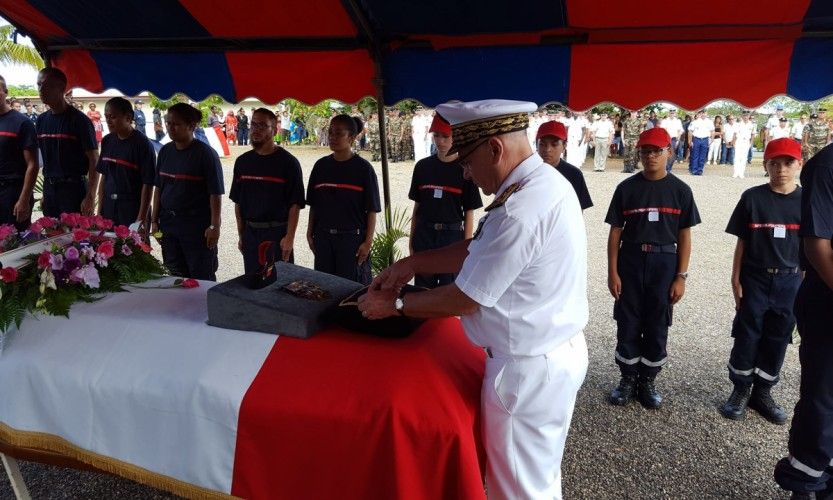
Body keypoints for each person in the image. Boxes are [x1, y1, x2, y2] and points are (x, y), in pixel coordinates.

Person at [357, 99, 588, 500]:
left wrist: (393, 306)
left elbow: (466, 299)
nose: (465, 172)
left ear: (495, 149)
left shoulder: (520, 207)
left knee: (517, 489)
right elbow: (482, 246)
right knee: (536, 478)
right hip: (551, 351)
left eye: (466, 161)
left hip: (526, 368)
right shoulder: (540, 183)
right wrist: (414, 263)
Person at [606, 127, 701, 409]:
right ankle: (627, 378)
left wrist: (681, 276)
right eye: (645, 151)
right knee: (628, 320)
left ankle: (647, 380)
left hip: (664, 263)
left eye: (657, 151)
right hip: (631, 261)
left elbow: (685, 236)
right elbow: (615, 234)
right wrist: (612, 272)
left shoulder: (681, 191)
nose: (651, 157)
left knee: (658, 323)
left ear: (669, 152)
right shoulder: (627, 188)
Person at [719, 138, 803, 426]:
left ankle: (763, 392)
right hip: (755, 278)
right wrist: (735, 278)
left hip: (790, 281)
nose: (781, 169)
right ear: (765, 165)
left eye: (788, 162)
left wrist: (804, 285)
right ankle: (740, 389)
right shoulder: (752, 198)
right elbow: (743, 241)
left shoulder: (807, 201)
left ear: (799, 164)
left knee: (778, 336)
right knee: (747, 333)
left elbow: (811, 247)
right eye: (774, 163)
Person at [773, 140, 833, 500]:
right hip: (828, 300)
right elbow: (818, 246)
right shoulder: (826, 166)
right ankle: (807, 483)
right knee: (823, 396)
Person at [408, 114, 483, 288]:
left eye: (445, 136)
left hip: (452, 237)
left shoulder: (465, 170)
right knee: (422, 289)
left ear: (455, 137)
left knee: (449, 288)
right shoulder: (422, 167)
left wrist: (466, 248)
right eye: (436, 136)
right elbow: (416, 207)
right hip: (425, 235)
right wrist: (412, 242)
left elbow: (469, 212)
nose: (440, 141)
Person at [150, 103, 224, 280]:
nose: (170, 128)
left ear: (191, 126)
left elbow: (215, 194)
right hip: (169, 224)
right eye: (168, 123)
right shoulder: (165, 151)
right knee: (174, 275)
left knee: (201, 276)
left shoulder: (206, 154)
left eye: (176, 124)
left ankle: (203, 309)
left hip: (196, 227)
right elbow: (158, 188)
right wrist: (154, 221)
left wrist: (214, 226)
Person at [230, 108, 304, 280]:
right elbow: (238, 202)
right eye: (253, 124)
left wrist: (290, 237)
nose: (256, 129)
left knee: (279, 285)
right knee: (253, 284)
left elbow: (295, 204)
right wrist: (242, 235)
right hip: (251, 234)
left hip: (277, 235)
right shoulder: (242, 162)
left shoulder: (288, 163)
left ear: (275, 130)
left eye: (262, 125)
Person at [306, 114, 380, 284]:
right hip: (323, 239)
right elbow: (314, 205)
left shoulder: (363, 169)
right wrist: (310, 233)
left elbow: (372, 209)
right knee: (324, 288)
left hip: (351, 241)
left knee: (350, 291)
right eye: (330, 132)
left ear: (352, 137)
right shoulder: (320, 166)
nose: (332, 137)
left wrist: (367, 243)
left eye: (339, 133)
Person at [35, 67, 99, 217]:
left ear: (62, 88)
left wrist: (90, 196)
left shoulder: (80, 120)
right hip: (50, 188)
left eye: (47, 85)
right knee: (51, 236)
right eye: (39, 85)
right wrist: (46, 192)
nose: (41, 89)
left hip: (73, 189)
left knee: (74, 237)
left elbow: (94, 158)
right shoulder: (41, 121)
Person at [95, 97, 156, 228]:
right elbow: (104, 177)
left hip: (131, 209)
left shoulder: (143, 144)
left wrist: (141, 219)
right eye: (106, 117)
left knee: (133, 247)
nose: (108, 121)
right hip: (109, 207)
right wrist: (100, 211)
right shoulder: (107, 141)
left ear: (128, 118)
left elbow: (148, 184)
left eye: (113, 117)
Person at [0, 74, 38, 229]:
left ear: (6, 92)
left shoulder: (22, 123)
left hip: (13, 193)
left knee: (14, 243)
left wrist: (24, 199)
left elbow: (33, 164)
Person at [537, 120, 593, 210]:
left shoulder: (574, 174)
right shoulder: (528, 173)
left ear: (564, 146)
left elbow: (578, 211)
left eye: (554, 144)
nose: (547, 150)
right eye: (542, 144)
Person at [688, 110, 713, 175]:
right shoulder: (695, 122)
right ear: (700, 113)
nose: (703, 114)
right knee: (695, 155)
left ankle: (700, 170)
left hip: (705, 139)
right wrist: (690, 141)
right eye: (702, 113)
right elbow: (690, 131)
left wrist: (711, 139)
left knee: (702, 156)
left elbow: (712, 131)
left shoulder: (710, 122)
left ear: (707, 113)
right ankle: (694, 170)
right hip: (696, 139)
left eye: (704, 113)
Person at [734, 111, 755, 179]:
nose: (745, 117)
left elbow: (753, 135)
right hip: (739, 141)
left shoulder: (751, 125)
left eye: (747, 115)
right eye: (744, 115)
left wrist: (751, 143)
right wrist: (734, 142)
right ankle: (736, 172)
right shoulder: (738, 124)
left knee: (744, 158)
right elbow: (735, 134)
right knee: (737, 157)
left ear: (749, 116)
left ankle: (741, 173)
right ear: (742, 116)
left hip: (746, 142)